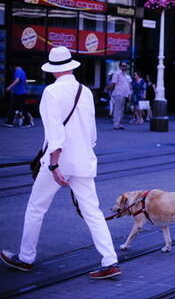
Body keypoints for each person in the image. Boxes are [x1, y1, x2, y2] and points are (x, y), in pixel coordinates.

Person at [0, 46, 121, 279]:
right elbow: (93, 133)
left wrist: (55, 165)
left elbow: (55, 133)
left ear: (53, 70)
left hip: (58, 161)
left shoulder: (51, 92)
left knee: (36, 207)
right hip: (84, 160)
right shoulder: (85, 91)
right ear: (70, 66)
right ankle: (110, 261)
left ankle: (26, 258)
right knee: (92, 212)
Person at [4, 61, 33, 128]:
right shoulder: (22, 71)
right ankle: (9, 122)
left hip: (19, 93)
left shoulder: (18, 71)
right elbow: (25, 81)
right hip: (18, 92)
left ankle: (27, 122)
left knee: (22, 108)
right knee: (13, 108)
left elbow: (17, 80)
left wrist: (10, 87)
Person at [108, 62, 131, 130]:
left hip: (124, 94)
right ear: (120, 66)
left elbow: (126, 85)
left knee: (122, 110)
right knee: (117, 109)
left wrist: (128, 93)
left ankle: (120, 123)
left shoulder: (125, 75)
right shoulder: (117, 73)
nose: (125, 67)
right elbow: (113, 83)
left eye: (126, 66)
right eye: (123, 66)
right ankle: (116, 124)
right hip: (118, 93)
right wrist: (110, 90)